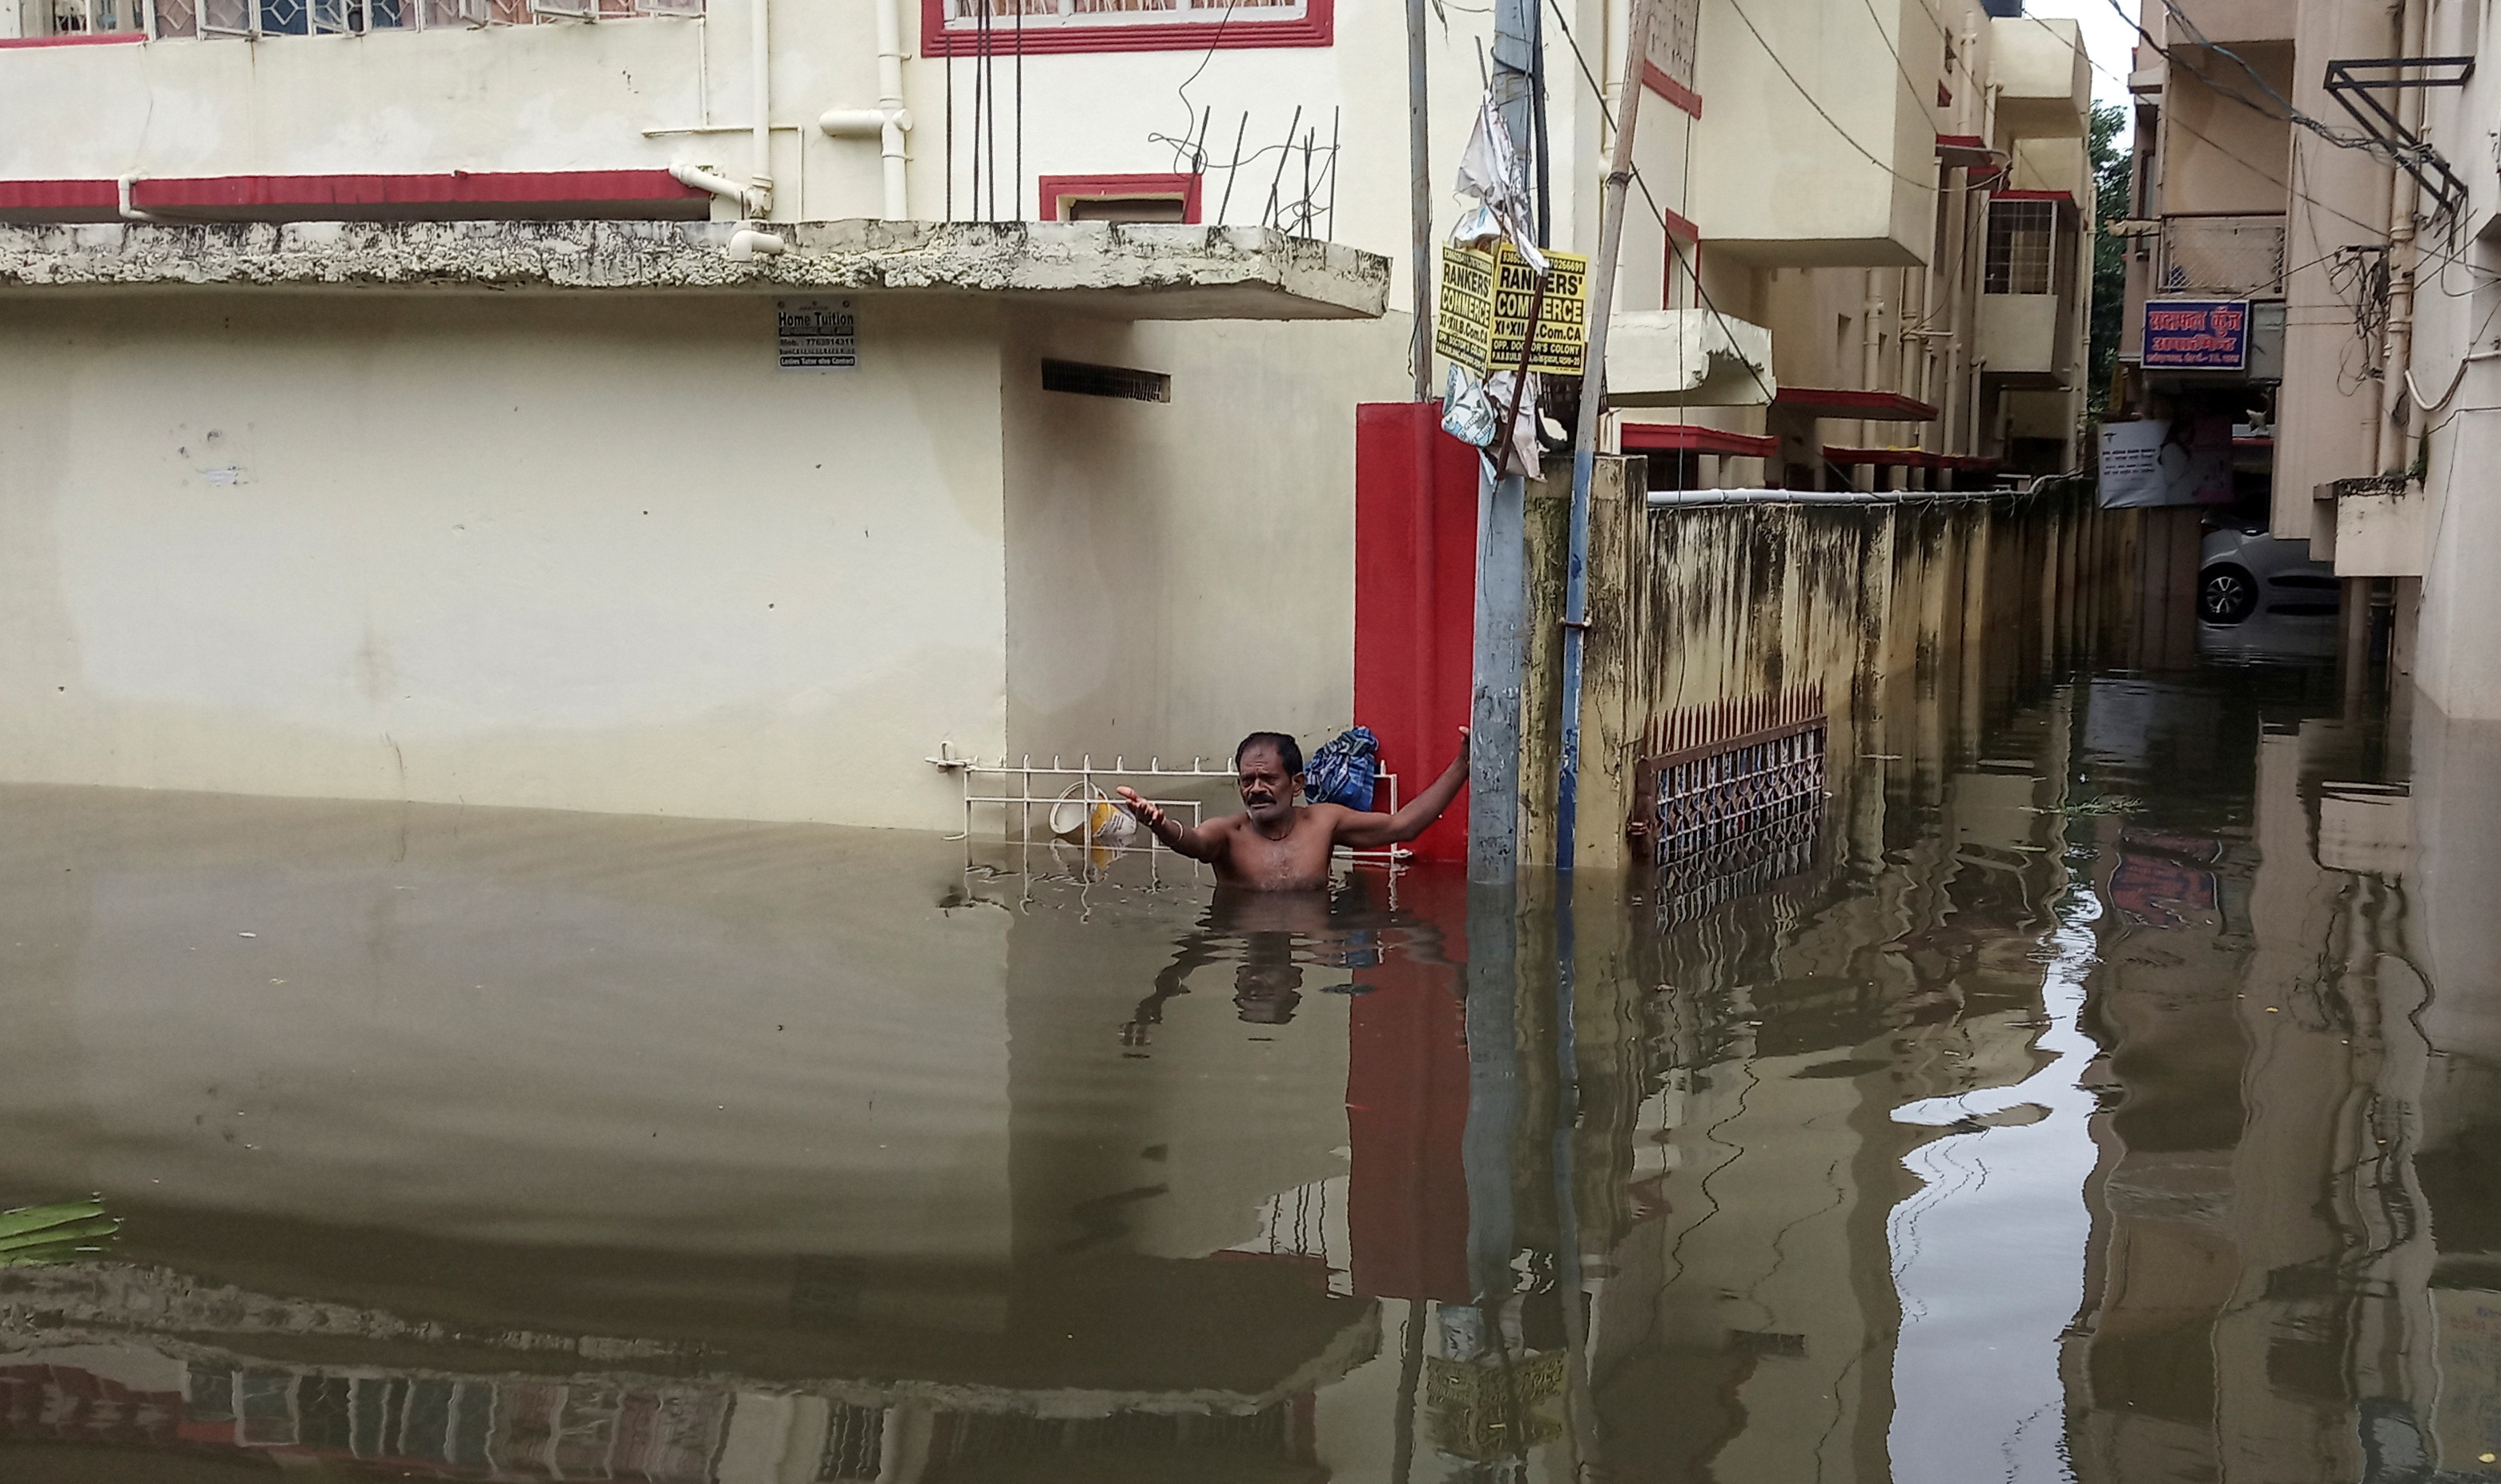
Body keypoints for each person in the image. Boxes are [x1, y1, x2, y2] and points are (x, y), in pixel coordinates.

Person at [1116, 728, 1470, 891]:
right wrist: (1160, 825)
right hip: (1236, 937)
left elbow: (1403, 826)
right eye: (1247, 780)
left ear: (1297, 784)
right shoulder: (1228, 834)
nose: (1256, 789)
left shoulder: (1324, 822)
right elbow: (1192, 841)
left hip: (1310, 940)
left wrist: (1462, 765)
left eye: (1268, 779)